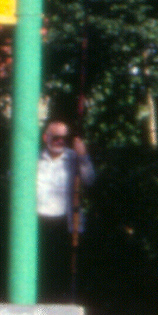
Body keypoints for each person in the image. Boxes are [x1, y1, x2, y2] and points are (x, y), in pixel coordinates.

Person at [35, 118, 94, 297]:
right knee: (41, 267)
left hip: (66, 220)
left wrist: (83, 156)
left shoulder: (74, 157)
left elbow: (90, 180)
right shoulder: (33, 158)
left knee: (64, 268)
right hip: (39, 219)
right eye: (56, 137)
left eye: (64, 138)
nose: (60, 141)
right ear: (46, 137)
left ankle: (65, 302)